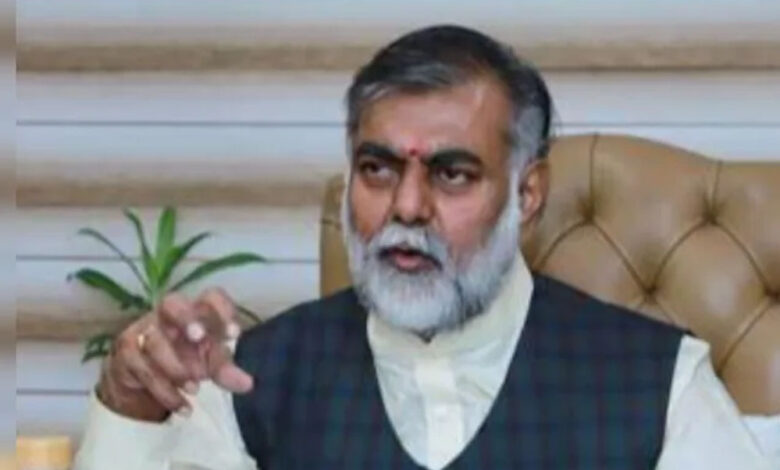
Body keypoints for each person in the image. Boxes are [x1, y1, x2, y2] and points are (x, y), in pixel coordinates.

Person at [74, 25, 773, 469]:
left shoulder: (661, 384)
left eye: (452, 173)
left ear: (527, 195)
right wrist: (129, 403)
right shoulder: (252, 381)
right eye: (377, 169)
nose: (407, 207)